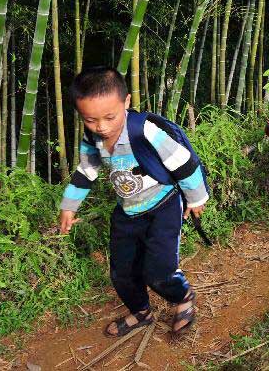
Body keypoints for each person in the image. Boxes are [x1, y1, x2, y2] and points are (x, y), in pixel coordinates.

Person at [58, 66, 208, 338]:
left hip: (163, 205)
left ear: (126, 102)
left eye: (109, 117)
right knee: (121, 272)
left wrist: (196, 198)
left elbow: (184, 163)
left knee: (159, 271)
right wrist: (69, 206)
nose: (101, 127)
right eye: (90, 120)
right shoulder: (92, 138)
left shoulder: (144, 130)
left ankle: (182, 296)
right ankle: (141, 311)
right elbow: (86, 171)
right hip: (127, 211)